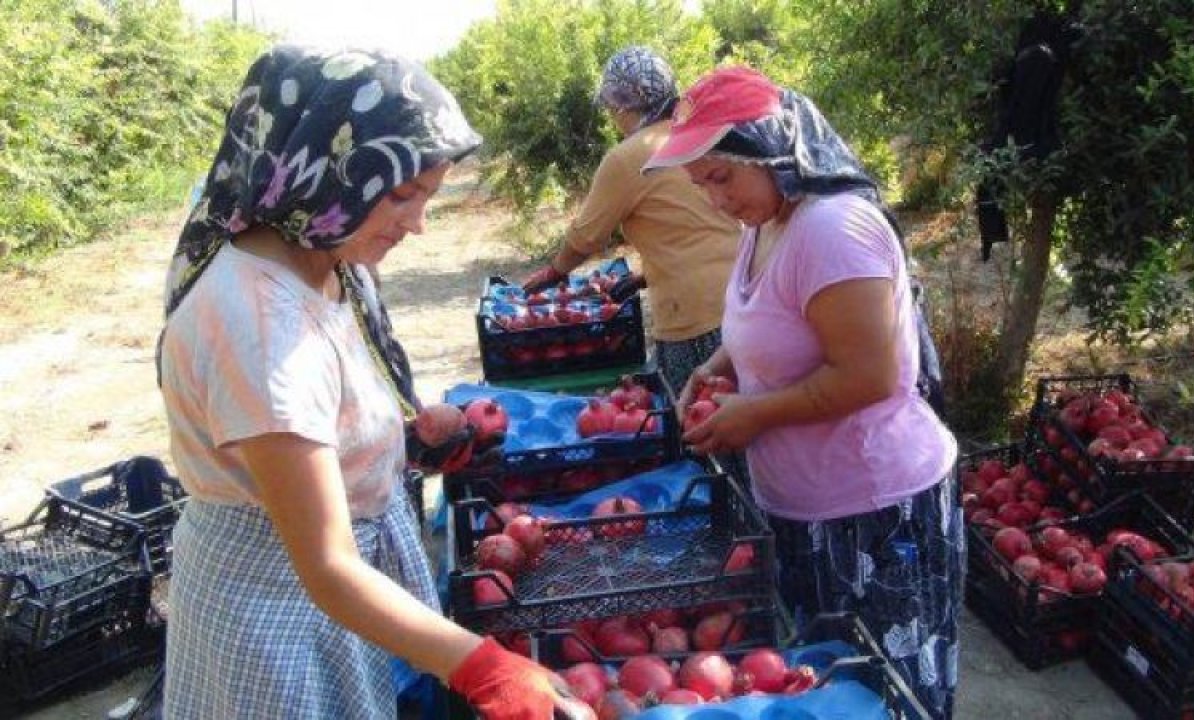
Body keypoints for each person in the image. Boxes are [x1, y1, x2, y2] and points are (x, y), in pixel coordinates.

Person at [156, 45, 594, 720]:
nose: (417, 223)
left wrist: (407, 441)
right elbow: (327, 565)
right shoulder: (261, 327)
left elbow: (320, 422)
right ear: (325, 170)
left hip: (333, 606)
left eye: (429, 195)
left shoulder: (328, 258)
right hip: (275, 617)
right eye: (400, 194)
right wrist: (483, 668)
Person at [648, 67, 963, 719]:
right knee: (825, 691)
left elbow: (872, 375)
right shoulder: (765, 223)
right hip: (808, 508)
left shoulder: (831, 230)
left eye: (721, 176)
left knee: (887, 699)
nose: (715, 199)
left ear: (770, 150)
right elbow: (776, 322)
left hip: (874, 514)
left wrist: (756, 414)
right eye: (700, 184)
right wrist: (719, 365)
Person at [522, 46, 740, 396]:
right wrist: (642, 278)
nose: (612, 116)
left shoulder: (628, 157)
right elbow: (696, 228)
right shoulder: (693, 135)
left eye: (612, 108)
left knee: (698, 416)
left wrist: (555, 272)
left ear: (624, 104)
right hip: (742, 295)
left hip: (696, 314)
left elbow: (586, 237)